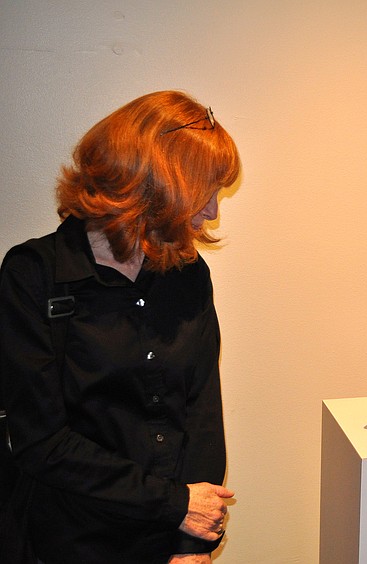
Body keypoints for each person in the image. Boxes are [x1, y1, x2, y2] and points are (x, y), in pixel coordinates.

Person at [0, 90, 241, 563]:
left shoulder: (188, 272)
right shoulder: (34, 275)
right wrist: (175, 504)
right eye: (204, 190)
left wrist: (193, 544)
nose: (213, 211)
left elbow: (201, 413)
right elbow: (40, 440)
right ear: (151, 184)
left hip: (170, 537)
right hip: (68, 540)